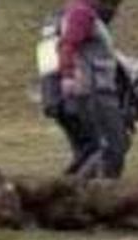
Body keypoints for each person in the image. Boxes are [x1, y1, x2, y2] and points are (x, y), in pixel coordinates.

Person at [57, 0, 128, 179]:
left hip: (99, 87)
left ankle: (79, 190)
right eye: (111, 4)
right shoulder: (82, 13)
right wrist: (67, 75)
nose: (112, 10)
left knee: (107, 146)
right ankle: (104, 193)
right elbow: (68, 44)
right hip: (94, 89)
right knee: (115, 145)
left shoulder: (85, 13)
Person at [37, 12, 99, 177]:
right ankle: (71, 184)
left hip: (54, 104)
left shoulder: (45, 46)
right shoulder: (64, 48)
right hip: (72, 104)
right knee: (96, 147)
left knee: (82, 149)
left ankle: (71, 182)